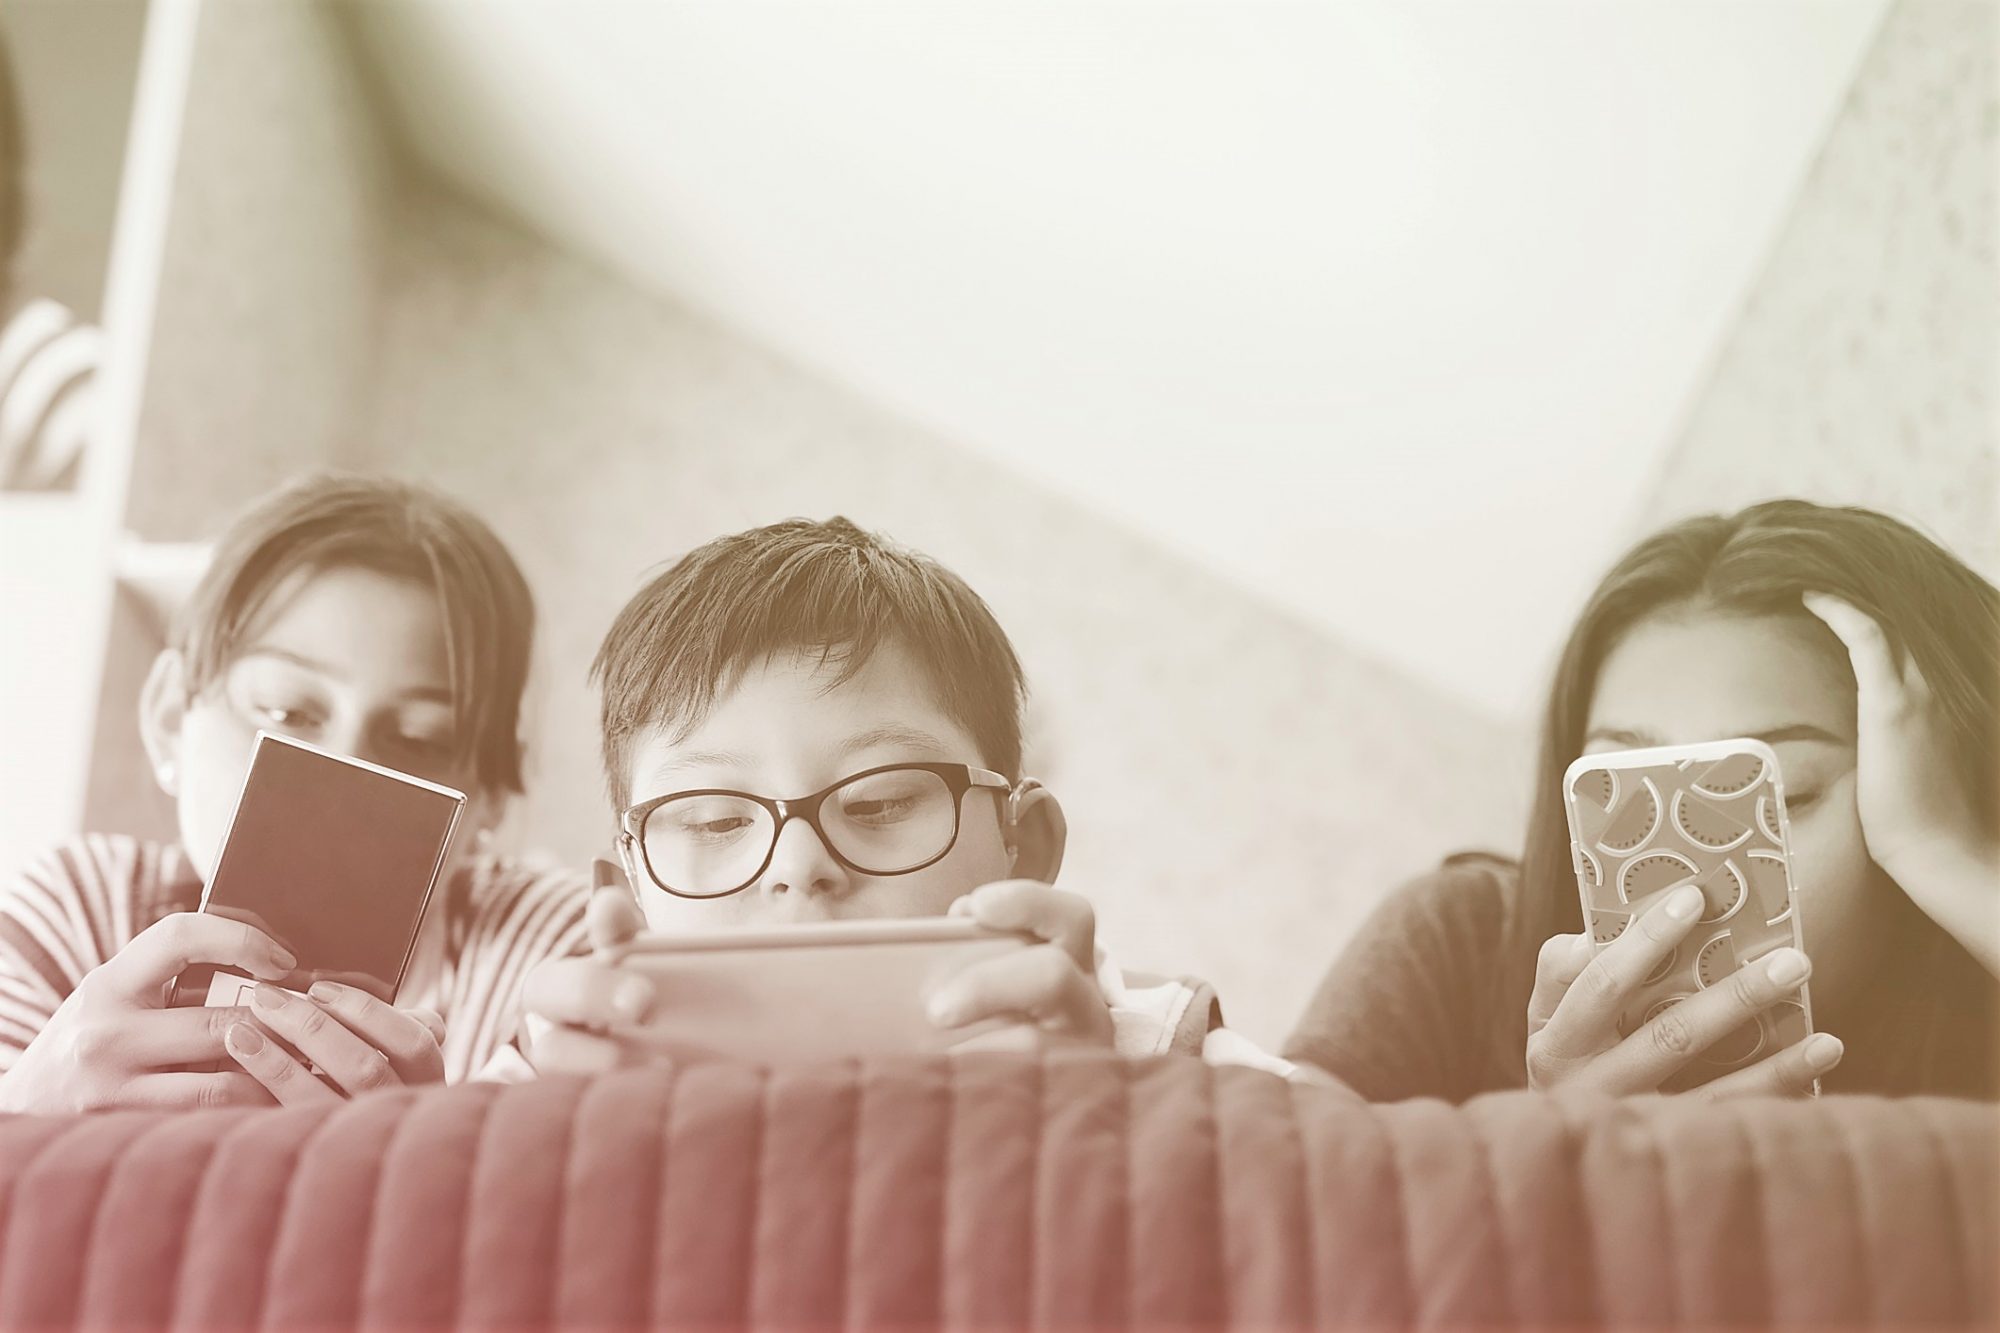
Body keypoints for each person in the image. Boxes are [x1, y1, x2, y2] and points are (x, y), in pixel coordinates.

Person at [516, 517, 1300, 1077]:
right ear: (630, 890)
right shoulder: (554, 1076)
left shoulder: (1177, 1068)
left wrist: (1112, 1134)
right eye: (714, 818)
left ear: (1020, 847)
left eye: (881, 802)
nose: (798, 864)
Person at [1284, 500, 1999, 1101]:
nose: (1683, 883)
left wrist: (1944, 856)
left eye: (1780, 793)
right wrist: (1549, 1166)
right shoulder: (1463, 940)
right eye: (1617, 794)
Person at [0, 475, 586, 1113]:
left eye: (421, 739)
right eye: (284, 711)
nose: (343, 772)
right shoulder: (79, 915)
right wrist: (27, 1122)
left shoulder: (556, 964)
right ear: (171, 716)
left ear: (491, 796)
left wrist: (415, 1168)